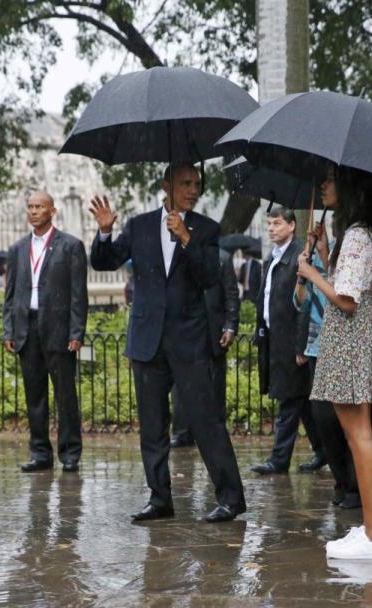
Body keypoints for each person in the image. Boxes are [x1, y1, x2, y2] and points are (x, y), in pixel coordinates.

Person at [88, 164, 246, 524]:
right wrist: (105, 231)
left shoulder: (206, 229)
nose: (193, 190)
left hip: (189, 341)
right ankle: (160, 498)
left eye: (197, 184)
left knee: (206, 421)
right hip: (147, 340)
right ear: (166, 185)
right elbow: (104, 260)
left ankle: (231, 498)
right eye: (186, 184)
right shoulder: (139, 225)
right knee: (153, 426)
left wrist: (186, 239)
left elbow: (209, 277)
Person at [297, 165, 372, 560]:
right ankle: (370, 528)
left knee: (359, 436)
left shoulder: (356, 235)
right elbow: (349, 283)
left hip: (348, 338)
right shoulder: (358, 233)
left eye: (331, 179)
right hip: (353, 337)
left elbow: (346, 300)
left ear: (349, 186)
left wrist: (311, 274)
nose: (324, 184)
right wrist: (322, 254)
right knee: (357, 435)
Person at [2, 191, 88, 473]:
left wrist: (77, 332)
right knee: (34, 395)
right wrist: (9, 331)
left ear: (52, 211)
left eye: (39, 206)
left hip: (59, 331)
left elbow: (78, 294)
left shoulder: (70, 246)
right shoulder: (17, 249)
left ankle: (70, 453)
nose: (34, 211)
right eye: (30, 207)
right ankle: (40, 453)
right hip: (27, 329)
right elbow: (10, 294)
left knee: (65, 395)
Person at [251, 205, 323, 475]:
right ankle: (323, 450)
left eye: (277, 223)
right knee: (301, 400)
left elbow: (306, 304)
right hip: (274, 338)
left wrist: (302, 344)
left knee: (289, 400)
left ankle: (279, 459)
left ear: (292, 225)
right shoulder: (272, 257)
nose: (271, 229)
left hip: (293, 341)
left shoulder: (300, 256)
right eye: (269, 224)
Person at [295, 220, 361, 509]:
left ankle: (356, 486)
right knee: (323, 419)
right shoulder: (321, 254)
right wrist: (303, 273)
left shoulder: (354, 256)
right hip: (316, 347)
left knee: (348, 421)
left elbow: (345, 298)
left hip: (344, 347)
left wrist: (317, 267)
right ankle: (341, 480)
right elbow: (300, 302)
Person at [170, 248, 240, 449]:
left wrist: (230, 326)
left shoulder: (222, 258)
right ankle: (182, 432)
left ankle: (214, 432)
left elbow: (231, 295)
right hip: (183, 332)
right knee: (180, 386)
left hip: (212, 332)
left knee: (214, 386)